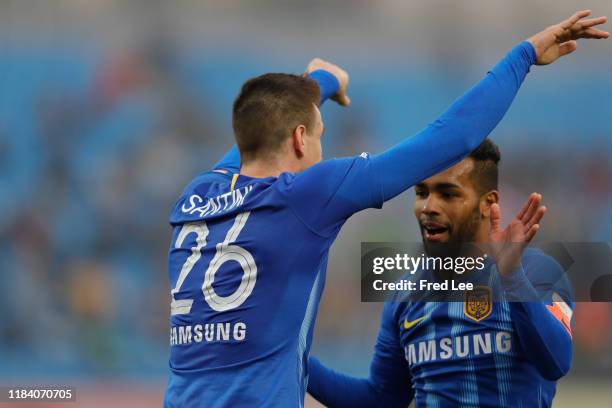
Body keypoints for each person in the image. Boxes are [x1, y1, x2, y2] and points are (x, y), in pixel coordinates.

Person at [164, 10, 608, 407]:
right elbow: (452, 135)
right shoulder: (308, 196)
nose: (429, 207)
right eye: (319, 135)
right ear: (301, 139)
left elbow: (255, 143)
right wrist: (524, 54)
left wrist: (318, 84)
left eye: (448, 194)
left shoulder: (198, 193)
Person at [308, 140, 574, 407]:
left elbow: (556, 362)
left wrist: (511, 276)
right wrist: (295, 354)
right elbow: (381, 399)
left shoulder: (536, 270)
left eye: (448, 194)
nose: (429, 207)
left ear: (487, 203)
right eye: (422, 193)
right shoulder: (406, 294)